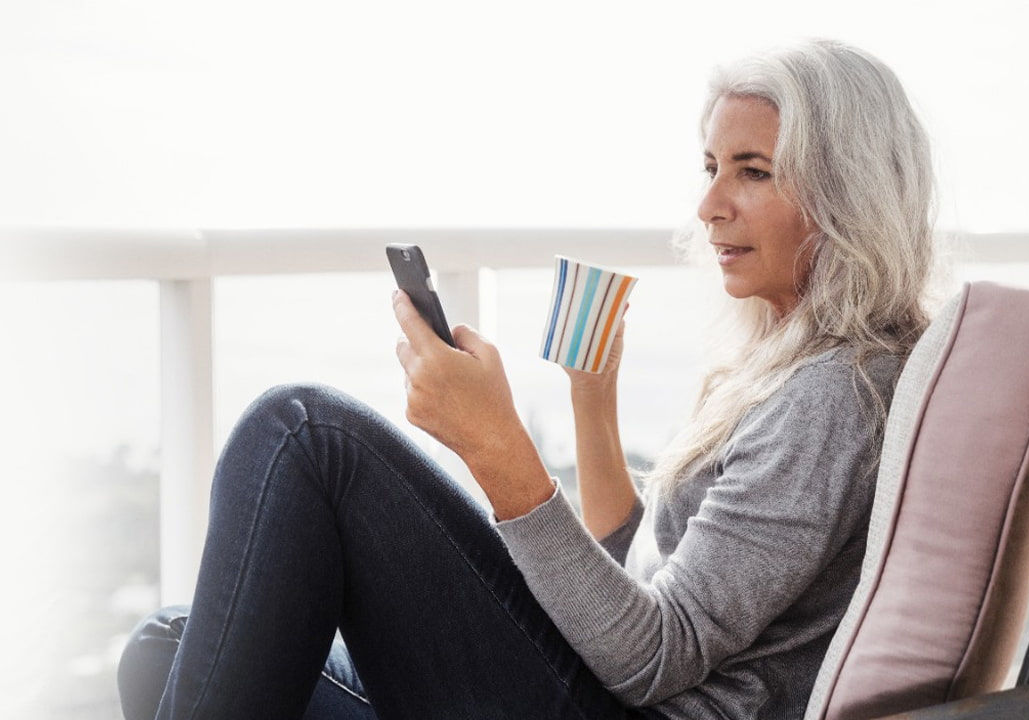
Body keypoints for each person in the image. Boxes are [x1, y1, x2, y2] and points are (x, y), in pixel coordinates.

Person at [116, 37, 936, 720]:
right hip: (610, 691)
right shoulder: (790, 366)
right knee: (165, 642)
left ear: (845, 192)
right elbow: (644, 587)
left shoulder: (833, 395)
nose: (709, 205)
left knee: (303, 433)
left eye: (752, 171)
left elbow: (654, 658)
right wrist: (593, 402)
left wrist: (496, 445)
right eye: (711, 166)